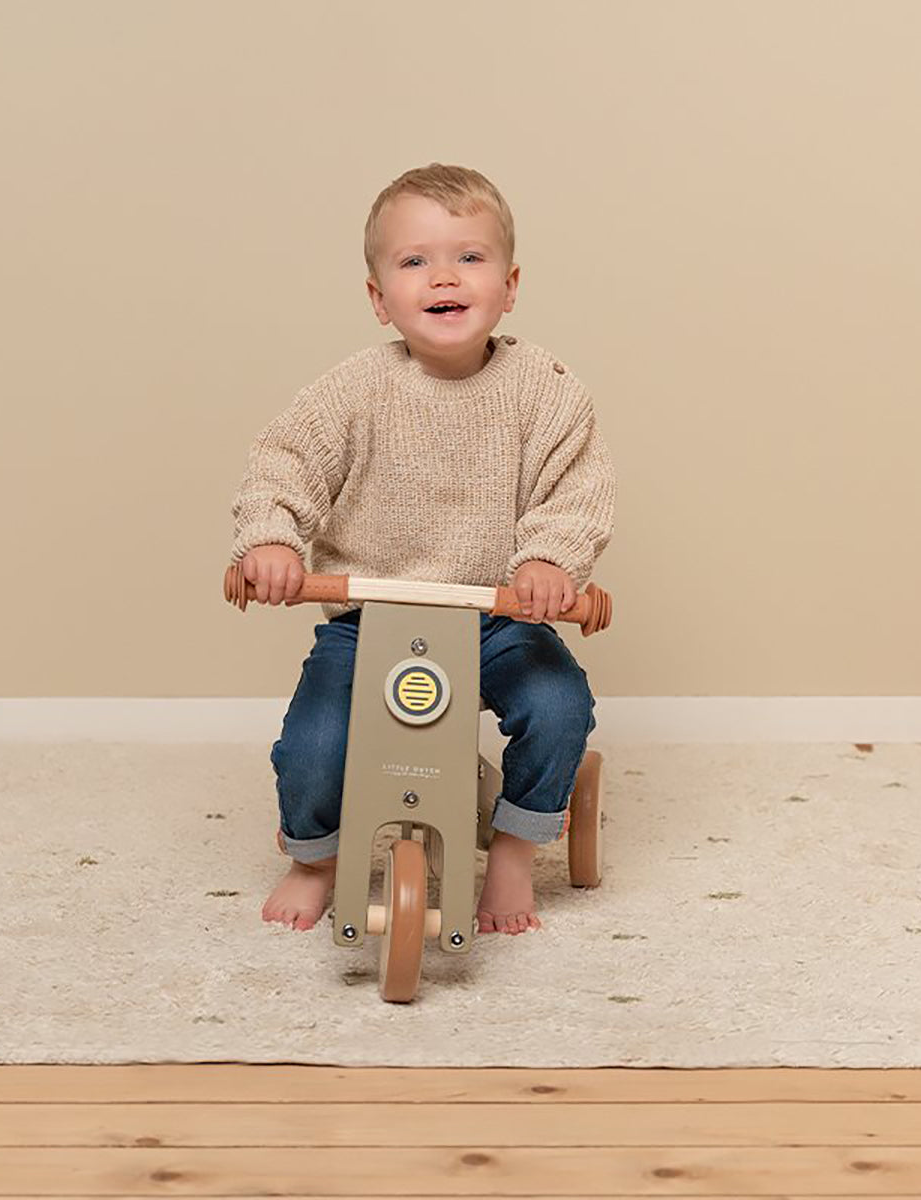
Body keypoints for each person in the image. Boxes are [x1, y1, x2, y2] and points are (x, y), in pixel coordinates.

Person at [229, 163, 615, 935]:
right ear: (379, 298)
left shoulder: (548, 390)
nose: (443, 275)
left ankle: (512, 846)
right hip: (370, 618)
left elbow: (574, 491)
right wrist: (271, 541)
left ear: (509, 286)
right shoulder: (353, 392)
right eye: (414, 262)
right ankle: (313, 856)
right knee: (316, 740)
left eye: (468, 258)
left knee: (559, 703)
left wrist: (548, 563)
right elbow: (285, 465)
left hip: (498, 617)